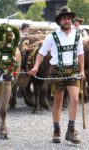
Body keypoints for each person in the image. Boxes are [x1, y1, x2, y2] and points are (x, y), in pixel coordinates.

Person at [29, 6, 84, 144]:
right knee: (58, 101)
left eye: (69, 18)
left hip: (73, 70)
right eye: (64, 18)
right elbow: (41, 52)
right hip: (57, 71)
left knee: (75, 99)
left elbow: (80, 54)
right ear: (59, 21)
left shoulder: (78, 35)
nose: (67, 21)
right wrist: (36, 66)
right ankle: (57, 129)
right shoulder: (52, 36)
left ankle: (71, 130)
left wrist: (82, 70)